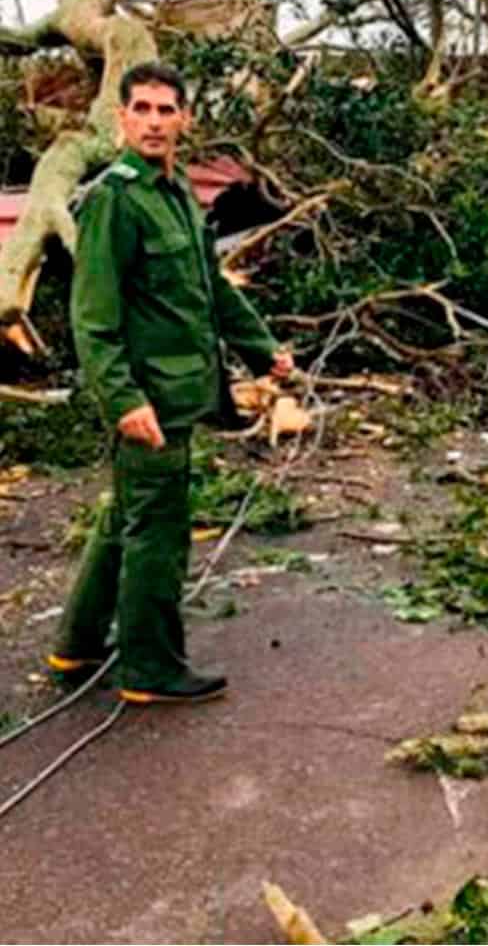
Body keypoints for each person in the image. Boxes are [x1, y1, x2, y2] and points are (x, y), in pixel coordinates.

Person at [47, 61, 293, 703]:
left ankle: (74, 645)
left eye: (166, 110)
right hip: (149, 400)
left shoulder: (178, 192)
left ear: (185, 118)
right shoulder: (113, 201)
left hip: (182, 392)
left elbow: (210, 288)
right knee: (156, 532)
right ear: (121, 118)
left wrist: (263, 349)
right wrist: (124, 400)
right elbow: (93, 320)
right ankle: (150, 669)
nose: (155, 121)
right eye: (142, 109)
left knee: (129, 511)